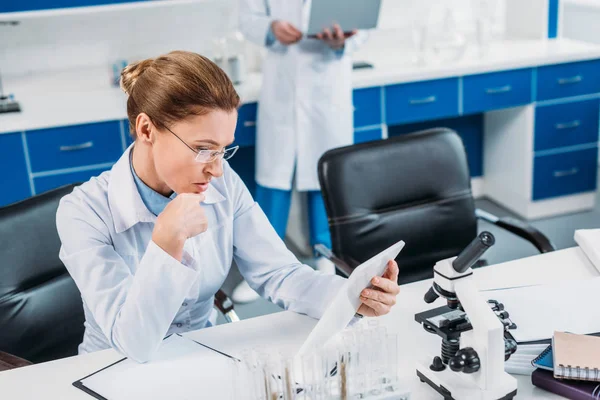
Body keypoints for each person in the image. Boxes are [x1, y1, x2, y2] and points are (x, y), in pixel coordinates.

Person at [55, 51, 400, 363]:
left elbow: (279, 274)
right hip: (112, 372)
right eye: (203, 149)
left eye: (223, 150)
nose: (217, 169)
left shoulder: (222, 180)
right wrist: (165, 243)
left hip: (202, 356)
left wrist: (352, 296)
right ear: (147, 129)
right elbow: (133, 344)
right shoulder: (83, 213)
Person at [232, 0, 370, 303]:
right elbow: (247, 17)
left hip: (327, 86)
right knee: (274, 178)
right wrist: (271, 29)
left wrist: (343, 40)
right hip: (282, 85)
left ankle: (326, 255)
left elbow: (363, 23)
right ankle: (261, 268)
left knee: (324, 177)